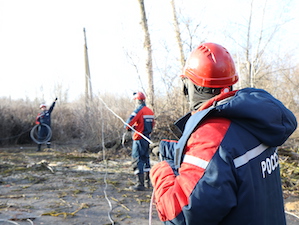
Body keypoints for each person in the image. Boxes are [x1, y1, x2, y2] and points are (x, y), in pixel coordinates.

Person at [150, 43, 297, 224]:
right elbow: (225, 157)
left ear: (187, 87)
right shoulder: (253, 120)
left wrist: (162, 169)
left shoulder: (210, 137)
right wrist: (169, 150)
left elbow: (180, 215)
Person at [125, 92, 155, 191]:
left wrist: (129, 128)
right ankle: (147, 183)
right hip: (147, 138)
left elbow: (128, 123)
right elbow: (152, 125)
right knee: (146, 159)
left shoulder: (139, 110)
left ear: (137, 101)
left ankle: (140, 184)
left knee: (137, 159)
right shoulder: (150, 111)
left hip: (139, 139)